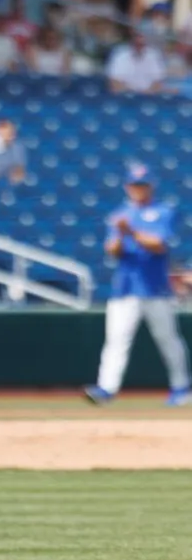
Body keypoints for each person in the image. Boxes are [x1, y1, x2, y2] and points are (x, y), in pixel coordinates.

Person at [85, 164, 191, 405]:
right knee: (117, 340)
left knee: (168, 339)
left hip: (155, 287)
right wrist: (121, 234)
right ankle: (106, 389)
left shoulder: (163, 211)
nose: (138, 189)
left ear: (150, 186)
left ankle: (181, 388)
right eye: (134, 185)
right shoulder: (120, 214)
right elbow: (112, 250)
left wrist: (130, 231)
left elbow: (158, 245)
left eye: (142, 185)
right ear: (127, 186)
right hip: (125, 286)